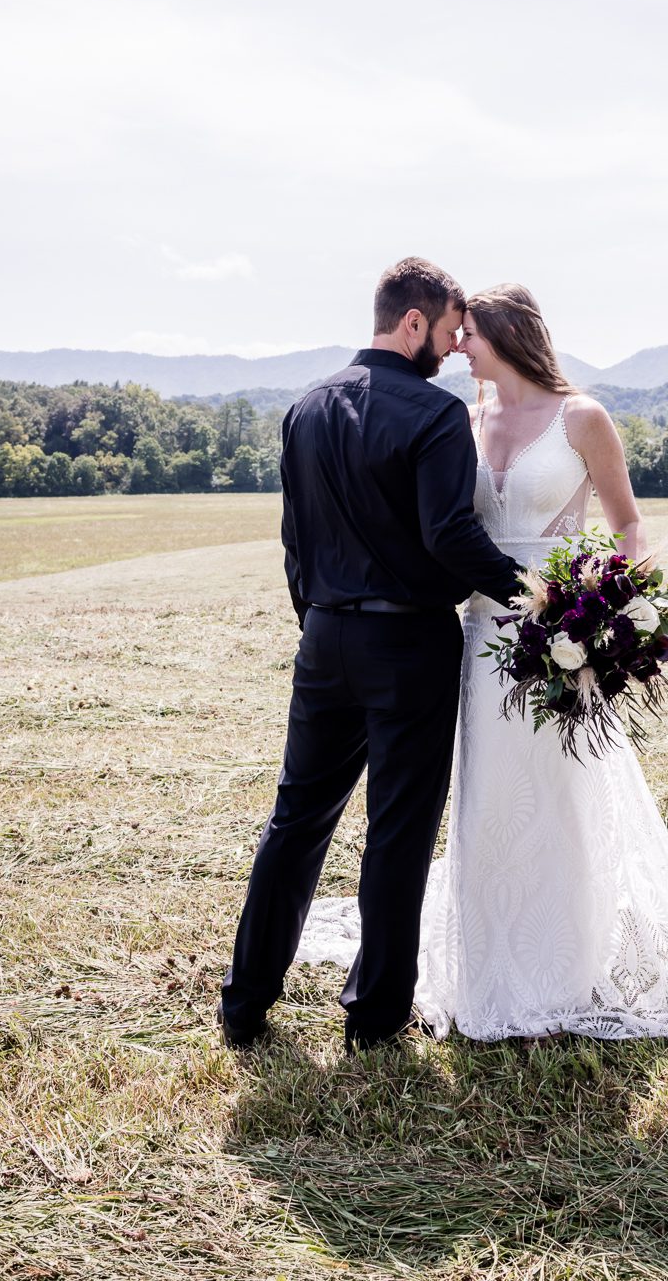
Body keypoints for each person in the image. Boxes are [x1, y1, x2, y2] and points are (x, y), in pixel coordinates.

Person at [297, 283, 668, 1045]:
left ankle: (567, 963)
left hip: (566, 630)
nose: (456, 347)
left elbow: (629, 524)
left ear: (503, 336)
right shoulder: (465, 420)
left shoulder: (582, 417)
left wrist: (621, 617)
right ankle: (488, 963)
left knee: (562, 794)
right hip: (485, 635)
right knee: (486, 798)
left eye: (468, 334)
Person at [218, 257, 524, 1055]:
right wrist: (533, 594)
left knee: (296, 819)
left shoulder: (304, 408)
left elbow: (294, 540)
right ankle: (376, 1015)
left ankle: (244, 1005)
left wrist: (318, 621)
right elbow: (449, 535)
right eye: (451, 330)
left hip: (323, 638)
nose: (455, 346)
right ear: (413, 322)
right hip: (412, 643)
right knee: (397, 831)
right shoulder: (433, 415)